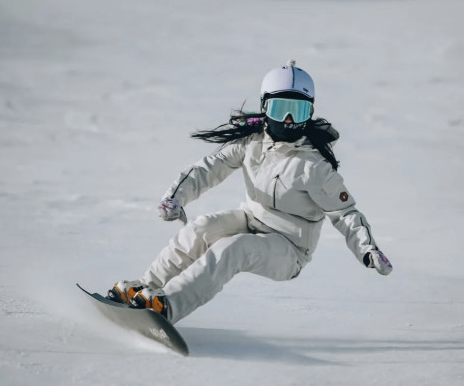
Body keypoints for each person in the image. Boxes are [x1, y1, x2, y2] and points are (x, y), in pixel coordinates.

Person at [108, 61, 393, 324]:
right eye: (281, 109)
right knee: (201, 228)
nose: (290, 119)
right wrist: (175, 197)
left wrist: (368, 249)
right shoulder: (251, 143)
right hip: (251, 219)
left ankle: (168, 307)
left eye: (300, 110)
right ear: (265, 107)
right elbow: (210, 168)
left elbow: (345, 213)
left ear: (310, 112)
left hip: (290, 247)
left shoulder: (313, 166)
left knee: (234, 248)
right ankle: (145, 289)